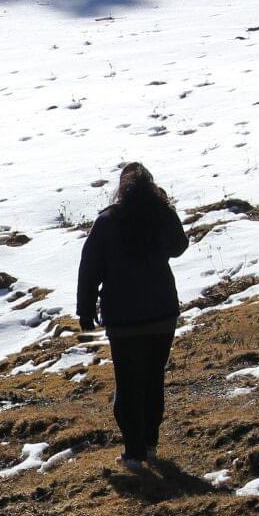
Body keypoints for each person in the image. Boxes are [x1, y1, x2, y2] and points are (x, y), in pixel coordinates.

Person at [76, 163, 189, 467]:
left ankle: (134, 452)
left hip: (124, 319)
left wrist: (85, 312)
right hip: (161, 313)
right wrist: (167, 208)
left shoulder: (108, 221)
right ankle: (150, 444)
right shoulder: (160, 215)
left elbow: (89, 270)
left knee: (128, 384)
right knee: (153, 379)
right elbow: (180, 246)